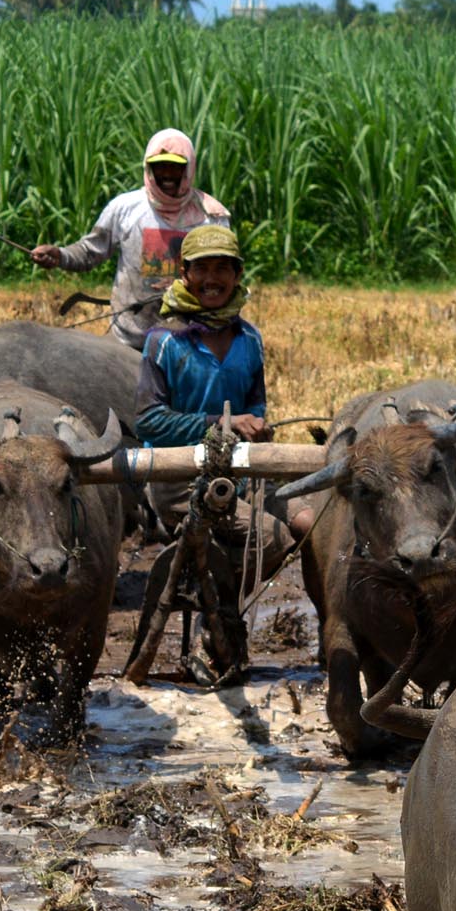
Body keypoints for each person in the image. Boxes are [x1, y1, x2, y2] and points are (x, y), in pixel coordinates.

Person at [132, 224, 298, 685]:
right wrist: (218, 425)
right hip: (178, 476)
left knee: (302, 526)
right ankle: (220, 619)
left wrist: (257, 423)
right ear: (184, 274)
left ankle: (221, 603)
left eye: (223, 267)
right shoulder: (164, 341)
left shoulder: (250, 339)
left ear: (238, 274)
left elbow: (256, 404)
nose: (212, 277)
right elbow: (148, 422)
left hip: (240, 472)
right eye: (201, 267)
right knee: (266, 538)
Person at [31, 128, 231, 350]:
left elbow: (225, 278)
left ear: (189, 168)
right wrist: (59, 255)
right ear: (148, 167)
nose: (167, 174)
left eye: (175, 167)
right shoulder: (125, 208)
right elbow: (90, 251)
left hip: (190, 341)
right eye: (160, 165)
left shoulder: (211, 217)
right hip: (128, 341)